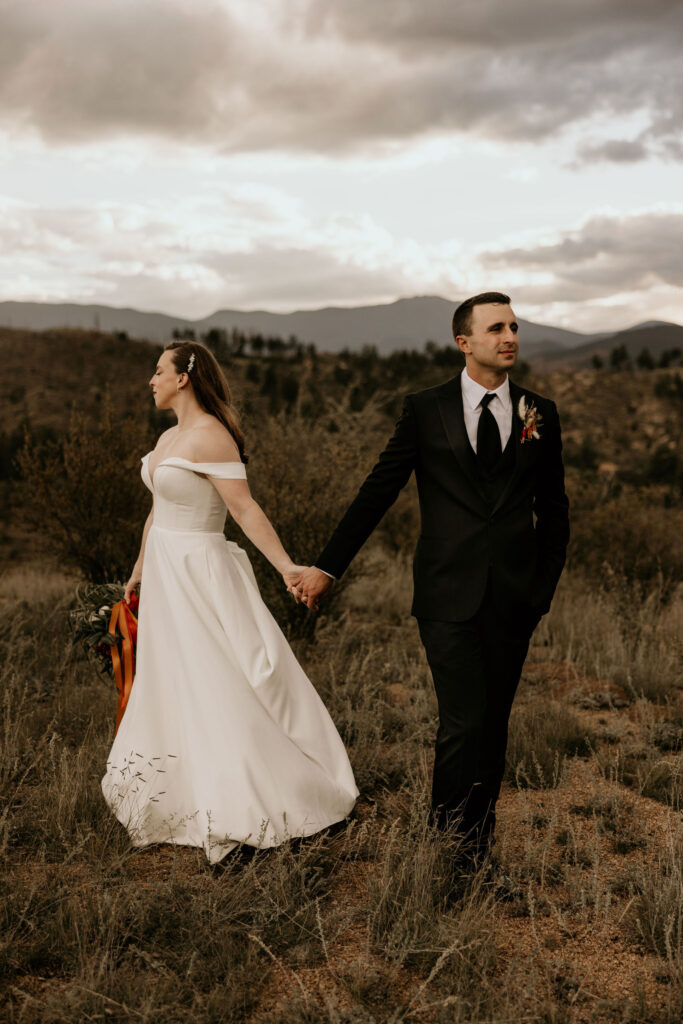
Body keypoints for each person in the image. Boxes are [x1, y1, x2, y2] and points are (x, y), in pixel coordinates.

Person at [291, 292, 569, 873]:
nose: (510, 336)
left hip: (514, 598)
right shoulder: (426, 409)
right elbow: (378, 491)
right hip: (447, 595)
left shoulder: (538, 412)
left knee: (493, 726)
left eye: (514, 326)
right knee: (462, 720)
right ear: (463, 342)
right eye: (496, 328)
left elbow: (555, 513)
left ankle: (476, 850)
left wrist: (539, 592)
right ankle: (444, 849)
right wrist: (327, 567)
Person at [101, 341, 358, 864]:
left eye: (158, 371)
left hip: (201, 571)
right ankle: (179, 791)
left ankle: (243, 798)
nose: (151, 380)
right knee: (172, 677)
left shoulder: (212, 437)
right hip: (167, 574)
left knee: (216, 676)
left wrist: (286, 566)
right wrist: (139, 568)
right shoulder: (168, 435)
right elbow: (158, 510)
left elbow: (243, 509)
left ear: (184, 379)